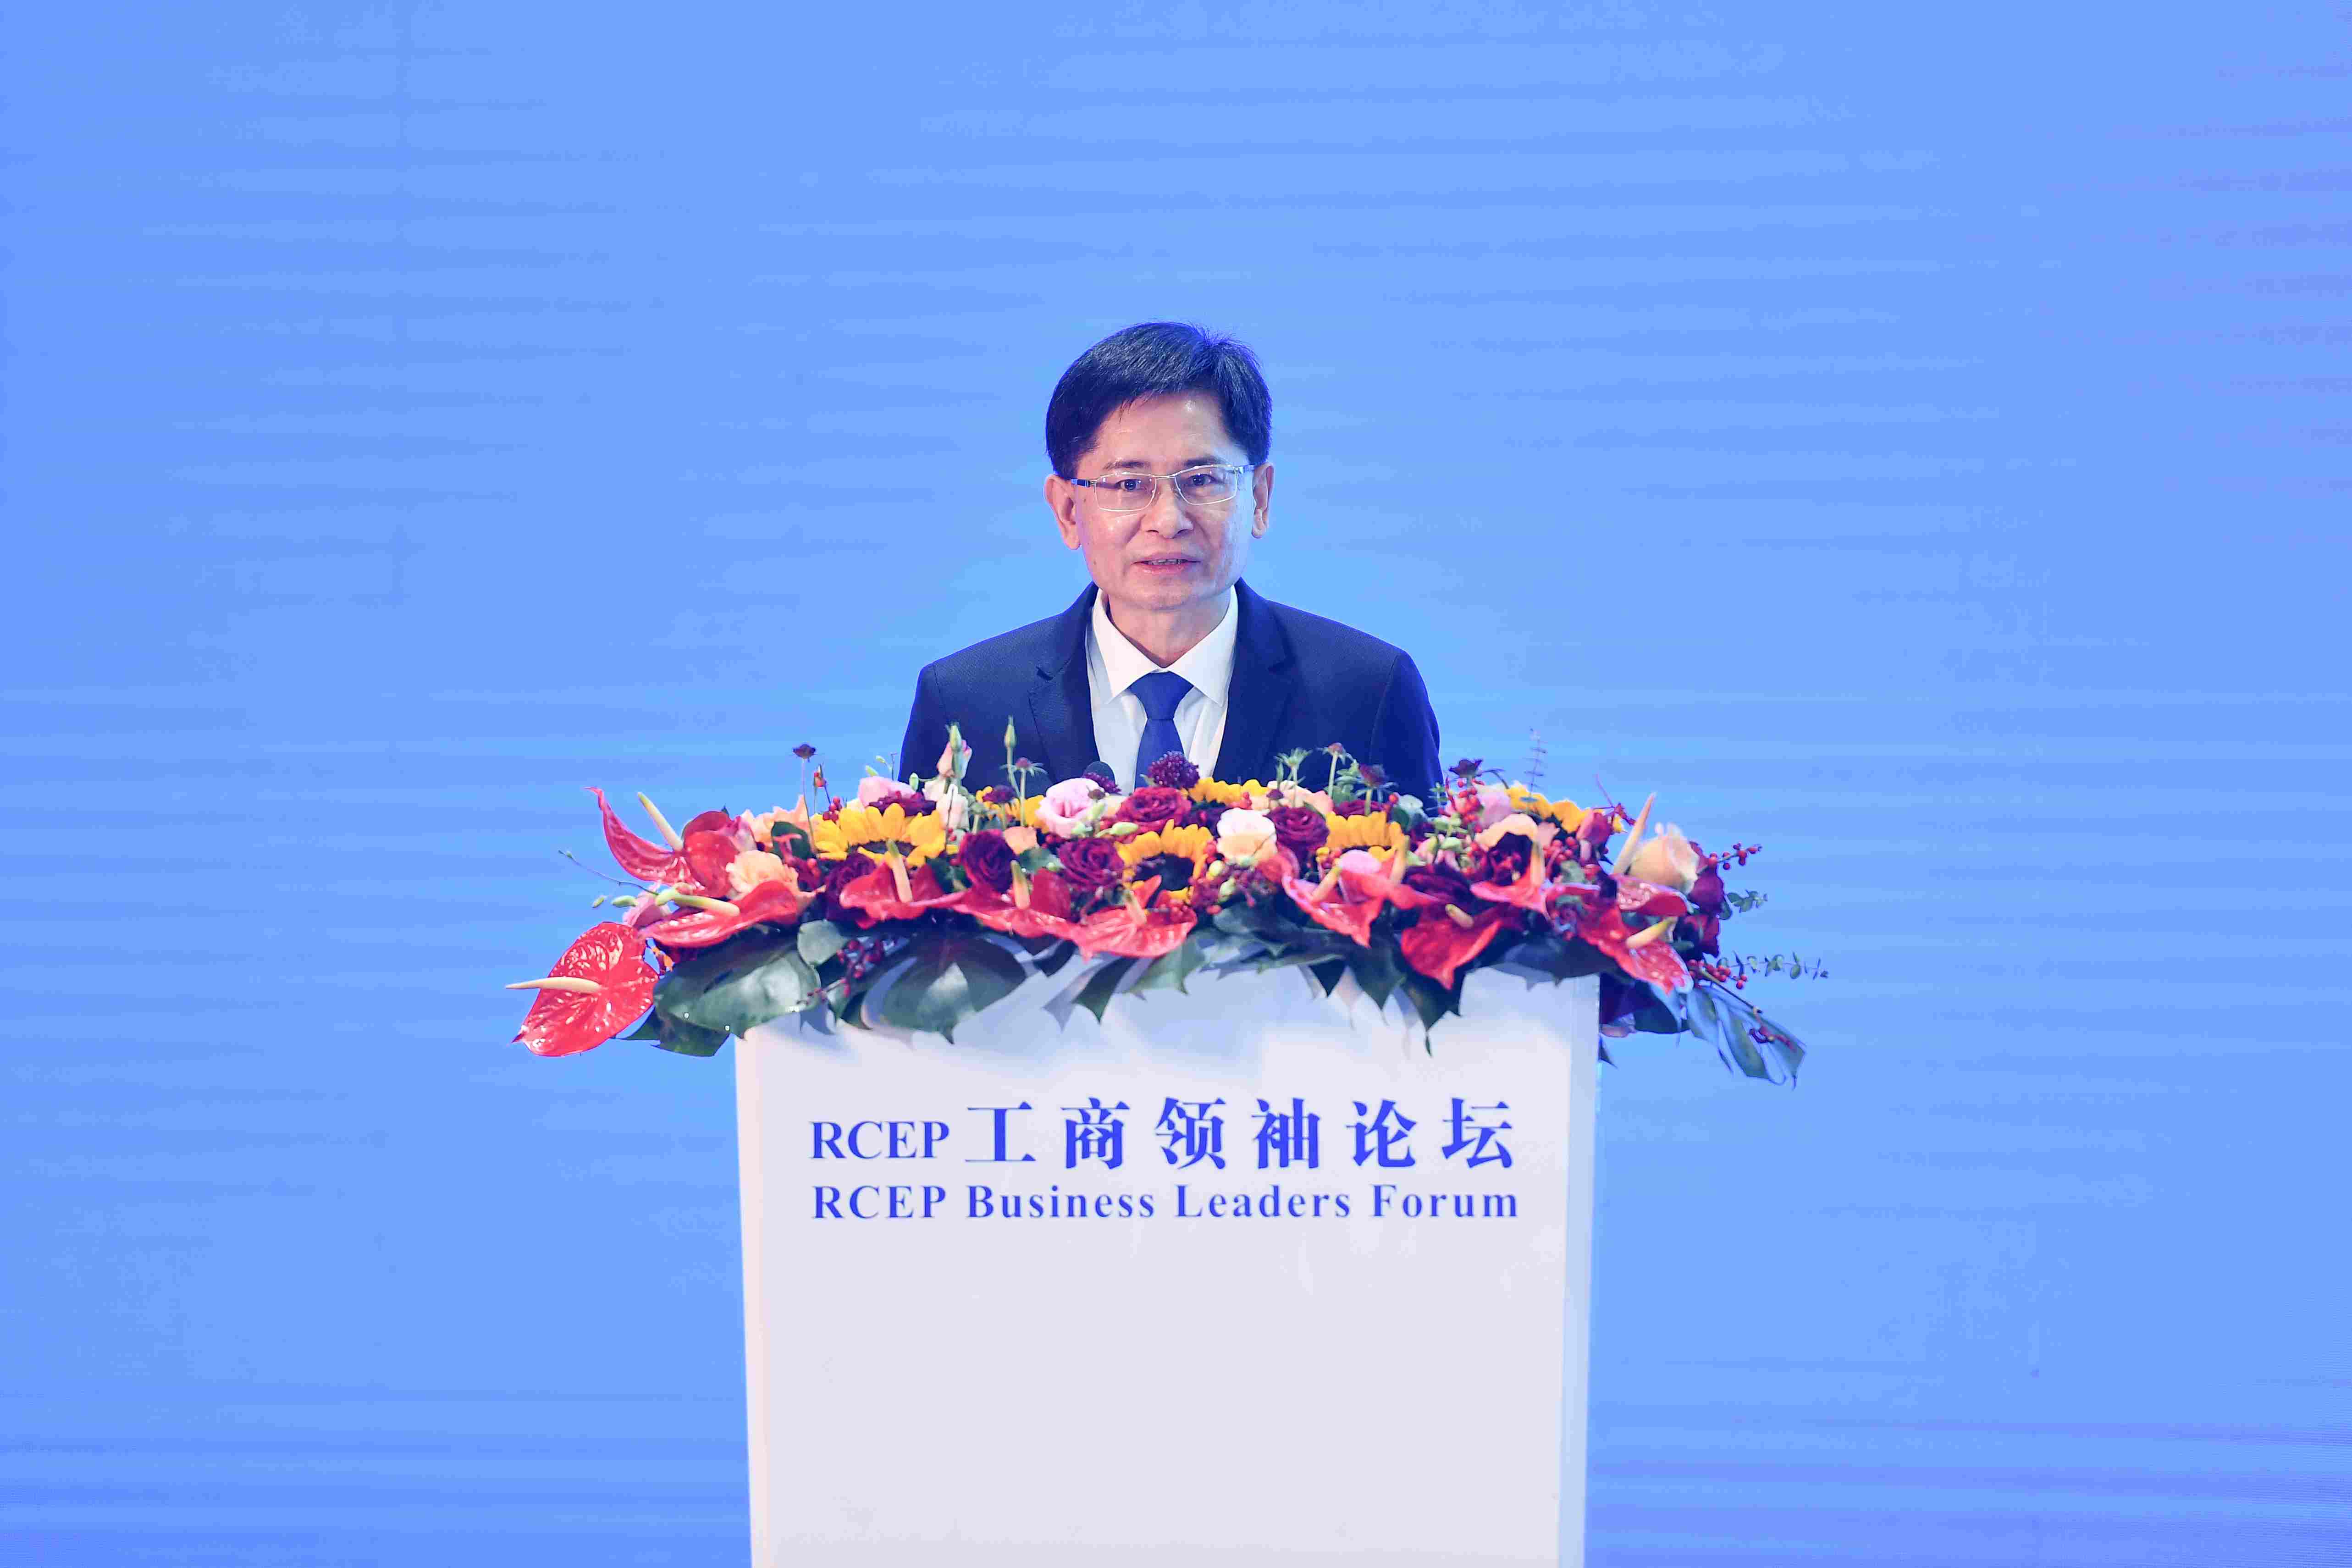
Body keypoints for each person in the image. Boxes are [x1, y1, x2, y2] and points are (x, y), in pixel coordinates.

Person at [894, 321, 1443, 800]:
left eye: (1202, 480)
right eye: (1128, 485)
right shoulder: (966, 702)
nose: (1167, 520)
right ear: (1067, 511)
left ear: (1259, 499)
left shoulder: (1368, 691)